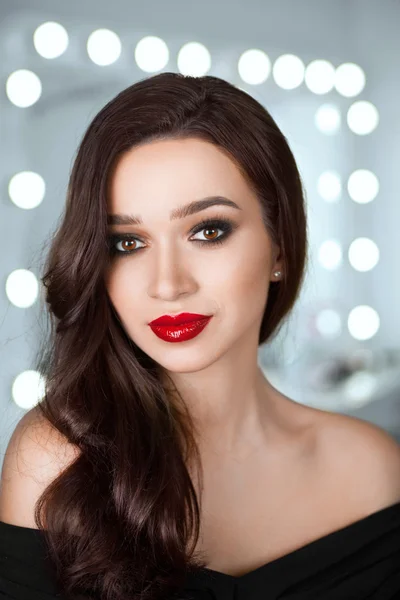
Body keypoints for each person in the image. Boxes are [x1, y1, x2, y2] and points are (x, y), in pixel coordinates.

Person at [0, 71, 399, 600]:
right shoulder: (57, 461)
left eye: (208, 231)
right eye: (127, 243)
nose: (168, 285)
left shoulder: (373, 470)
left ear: (280, 247)